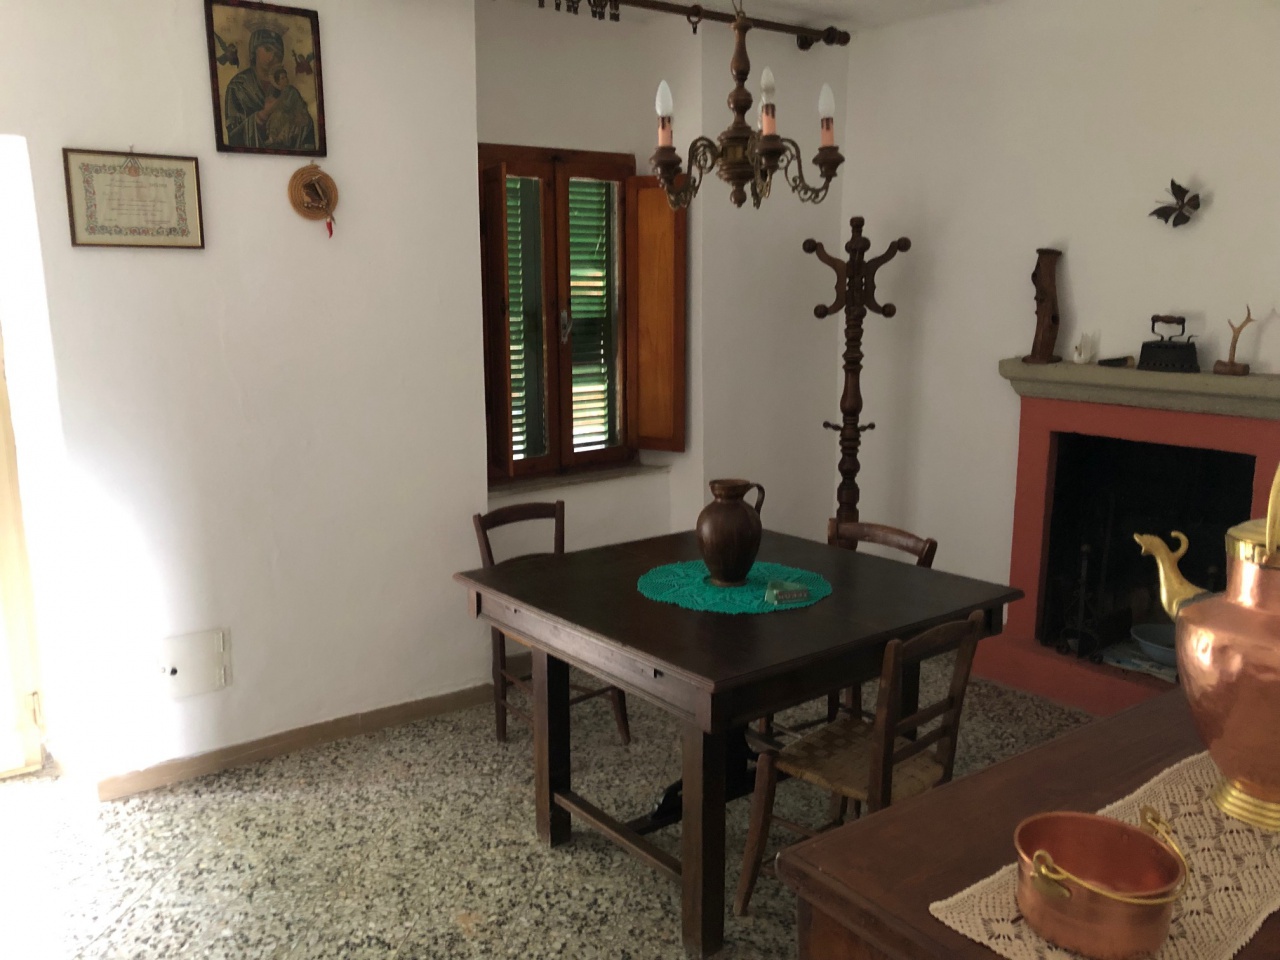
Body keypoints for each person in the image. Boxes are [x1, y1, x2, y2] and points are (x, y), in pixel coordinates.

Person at [222, 28, 316, 150]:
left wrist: (300, 121)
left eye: (277, 54)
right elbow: (233, 134)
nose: (271, 57)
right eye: (267, 49)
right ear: (254, 49)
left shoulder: (289, 91)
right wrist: (263, 115)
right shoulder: (238, 86)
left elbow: (307, 127)